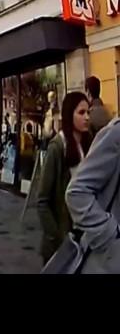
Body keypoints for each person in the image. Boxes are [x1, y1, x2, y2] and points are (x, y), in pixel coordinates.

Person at [37, 92, 92, 265]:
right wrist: (57, 236)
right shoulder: (57, 147)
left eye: (88, 112)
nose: (87, 117)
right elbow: (42, 200)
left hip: (84, 236)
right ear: (70, 115)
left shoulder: (88, 143)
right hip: (62, 242)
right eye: (81, 113)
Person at [66, 117, 120, 273]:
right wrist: (110, 235)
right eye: (81, 112)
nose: (87, 117)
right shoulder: (115, 135)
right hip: (107, 261)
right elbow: (76, 192)